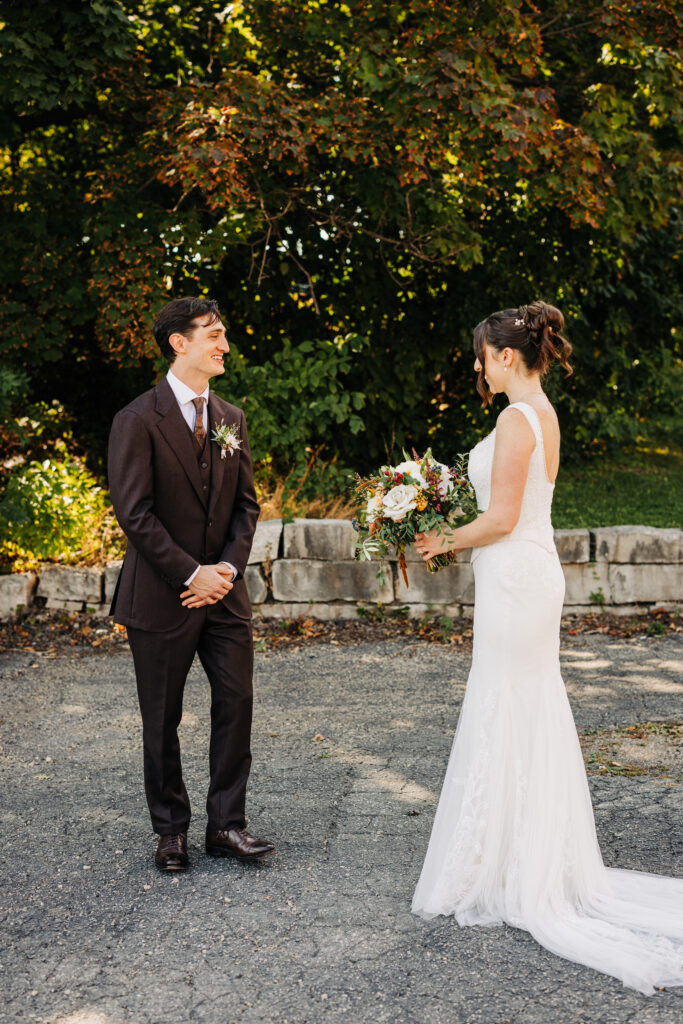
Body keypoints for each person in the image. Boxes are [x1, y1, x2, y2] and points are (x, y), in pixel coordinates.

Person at [411, 300, 683, 994]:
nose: (476, 367)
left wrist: (440, 536)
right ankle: (522, 855)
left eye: (480, 355)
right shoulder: (543, 414)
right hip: (527, 575)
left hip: (514, 576)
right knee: (523, 702)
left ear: (506, 356)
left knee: (508, 701)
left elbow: (500, 518)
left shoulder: (512, 418)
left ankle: (509, 865)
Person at [108, 296, 274, 871]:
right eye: (214, 335)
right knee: (162, 715)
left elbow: (247, 506)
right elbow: (135, 512)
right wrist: (190, 572)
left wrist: (225, 571)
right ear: (179, 342)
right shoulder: (136, 419)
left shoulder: (232, 418)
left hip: (225, 594)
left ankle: (227, 825)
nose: (225, 345)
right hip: (162, 594)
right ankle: (171, 830)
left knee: (238, 699)